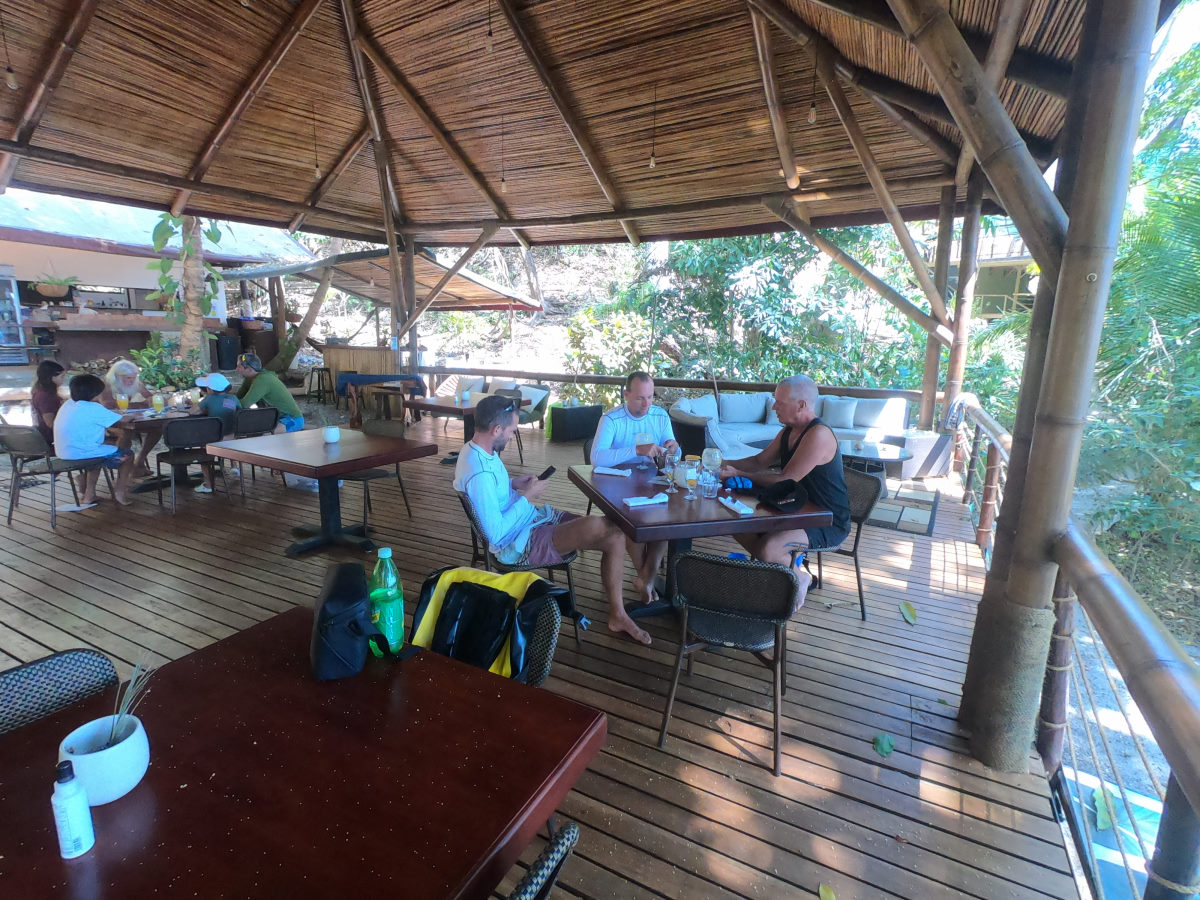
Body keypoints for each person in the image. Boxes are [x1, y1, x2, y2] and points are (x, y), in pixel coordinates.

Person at [454, 395, 654, 646]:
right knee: (601, 525)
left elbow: (490, 496)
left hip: (529, 521)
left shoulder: (477, 450)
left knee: (614, 532)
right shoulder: (479, 473)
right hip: (516, 544)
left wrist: (513, 484)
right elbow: (495, 534)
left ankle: (618, 615)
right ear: (496, 430)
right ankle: (625, 605)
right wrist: (526, 497)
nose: (512, 435)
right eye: (512, 430)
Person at [718, 374, 850, 604]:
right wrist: (721, 464)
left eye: (779, 402)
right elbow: (759, 461)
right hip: (793, 510)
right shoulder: (788, 431)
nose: (773, 407)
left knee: (769, 549)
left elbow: (786, 480)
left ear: (801, 405)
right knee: (737, 525)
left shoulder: (818, 434)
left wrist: (739, 474)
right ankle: (784, 568)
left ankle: (799, 576)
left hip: (825, 519)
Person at [590, 371, 680, 602]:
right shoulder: (611, 419)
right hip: (618, 485)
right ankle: (646, 577)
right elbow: (597, 458)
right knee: (631, 523)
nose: (647, 403)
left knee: (666, 522)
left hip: (653, 483)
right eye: (640, 398)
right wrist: (637, 450)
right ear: (626, 394)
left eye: (650, 397)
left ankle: (645, 579)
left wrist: (673, 448)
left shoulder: (660, 415)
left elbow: (673, 454)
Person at [53, 373, 136, 506]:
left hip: (64, 451)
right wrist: (134, 415)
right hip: (83, 453)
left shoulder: (68, 404)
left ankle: (89, 495)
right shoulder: (93, 407)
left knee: (100, 449)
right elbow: (123, 420)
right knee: (128, 455)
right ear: (95, 393)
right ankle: (119, 492)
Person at [99, 359, 161, 475]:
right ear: (117, 376)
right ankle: (123, 470)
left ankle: (140, 461)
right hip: (107, 423)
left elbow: (149, 397)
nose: (131, 380)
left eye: (133, 377)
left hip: (128, 420)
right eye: (128, 378)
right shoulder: (105, 384)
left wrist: (152, 400)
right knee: (126, 433)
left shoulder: (135, 382)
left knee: (157, 429)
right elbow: (108, 405)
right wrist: (140, 405)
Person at [192, 372, 240, 493]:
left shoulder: (209, 399)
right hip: (233, 438)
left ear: (209, 389)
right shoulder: (233, 398)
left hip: (216, 440)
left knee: (203, 454)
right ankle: (235, 467)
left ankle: (209, 485)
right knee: (229, 439)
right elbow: (239, 411)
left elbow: (193, 411)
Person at [234, 353, 304, 433]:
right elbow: (238, 398)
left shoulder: (263, 380)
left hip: (292, 419)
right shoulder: (249, 378)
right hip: (274, 417)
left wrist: (226, 406)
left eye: (239, 367)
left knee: (265, 435)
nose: (236, 369)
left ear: (249, 369)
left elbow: (244, 404)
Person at [30, 360, 65, 446]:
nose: (63, 380)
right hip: (51, 439)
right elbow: (50, 423)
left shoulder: (40, 391)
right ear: (52, 377)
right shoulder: (46, 396)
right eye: (62, 376)